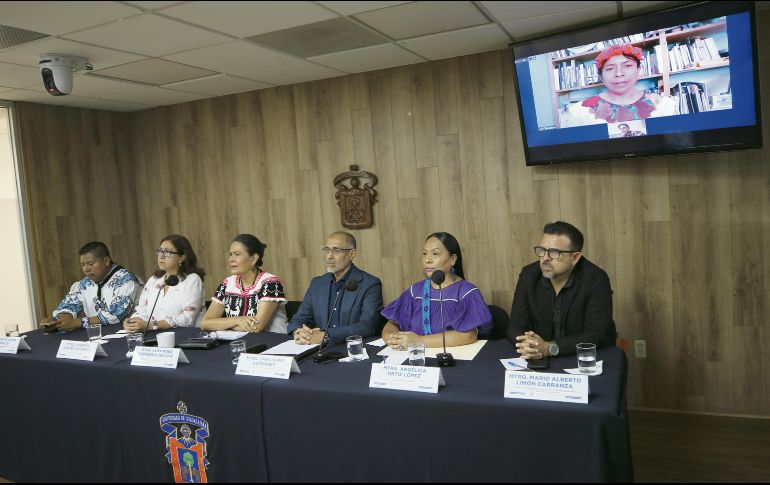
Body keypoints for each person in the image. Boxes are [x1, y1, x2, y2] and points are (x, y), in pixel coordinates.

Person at [508, 221, 616, 359]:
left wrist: (550, 348)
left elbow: (596, 333)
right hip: (538, 356)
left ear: (575, 257)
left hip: (582, 357)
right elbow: (515, 325)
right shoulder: (529, 275)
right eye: (542, 250)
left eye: (554, 252)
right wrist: (528, 344)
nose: (545, 258)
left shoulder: (596, 279)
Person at [381, 232, 492, 349]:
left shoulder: (467, 293)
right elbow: (393, 322)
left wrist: (420, 341)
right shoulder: (415, 291)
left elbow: (469, 335)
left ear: (453, 259)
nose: (427, 259)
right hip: (415, 360)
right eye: (424, 254)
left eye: (435, 253)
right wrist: (390, 337)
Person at [289, 231, 382, 346]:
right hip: (318, 349)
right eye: (327, 250)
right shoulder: (318, 283)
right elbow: (298, 319)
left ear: (352, 254)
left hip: (352, 349)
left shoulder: (370, 284)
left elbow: (367, 325)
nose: (329, 256)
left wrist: (326, 335)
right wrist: (299, 332)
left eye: (336, 251)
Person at [561, 44, 675, 127]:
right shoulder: (581, 111)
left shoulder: (662, 105)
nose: (619, 74)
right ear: (601, 76)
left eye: (627, 66)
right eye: (610, 68)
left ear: (639, 71)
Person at [40, 241, 142, 332]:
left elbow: (116, 314)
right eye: (83, 265)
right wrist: (58, 321)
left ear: (106, 261)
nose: (86, 269)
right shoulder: (85, 283)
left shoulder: (126, 280)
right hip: (99, 335)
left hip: (129, 334)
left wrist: (78, 322)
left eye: (90, 263)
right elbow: (69, 305)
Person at [201, 234, 288, 334]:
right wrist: (238, 320)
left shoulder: (270, 282)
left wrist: (221, 325)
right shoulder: (227, 283)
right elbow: (205, 323)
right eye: (230, 254)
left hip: (273, 343)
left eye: (237, 254)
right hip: (240, 342)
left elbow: (256, 327)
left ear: (253, 259)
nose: (231, 259)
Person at [123, 234, 206, 332]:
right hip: (156, 337)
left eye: (167, 252)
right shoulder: (153, 280)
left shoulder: (192, 280)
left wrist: (152, 325)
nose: (161, 256)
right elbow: (142, 310)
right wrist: (133, 322)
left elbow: (188, 319)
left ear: (182, 257)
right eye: (160, 251)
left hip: (186, 337)